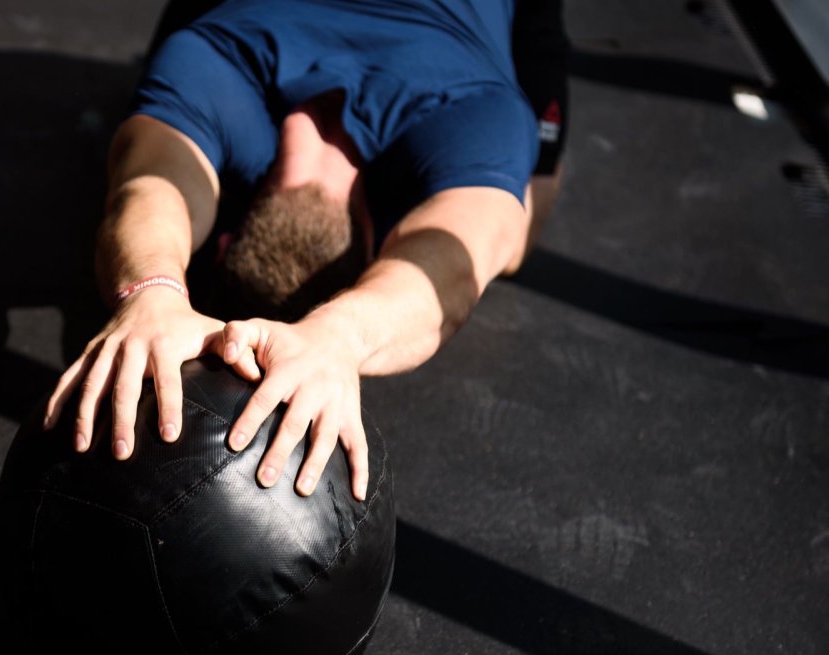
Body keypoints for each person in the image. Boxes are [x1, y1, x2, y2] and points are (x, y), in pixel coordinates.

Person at [42, 0, 570, 502]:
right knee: (515, 230)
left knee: (513, 229)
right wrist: (151, 289)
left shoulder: (485, 118)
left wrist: (340, 335)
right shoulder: (208, 60)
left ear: (376, 238)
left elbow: (454, 264)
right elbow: (151, 182)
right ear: (226, 235)